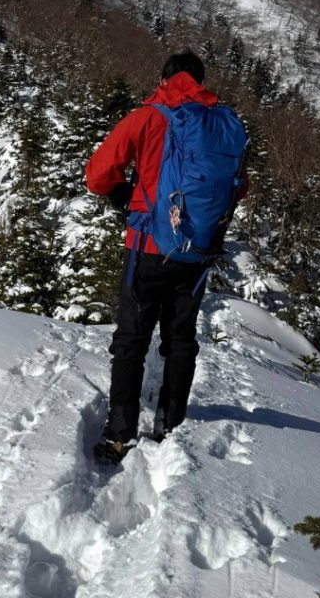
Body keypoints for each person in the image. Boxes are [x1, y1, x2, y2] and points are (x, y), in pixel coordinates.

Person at [85, 50, 247, 464]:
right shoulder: (224, 124)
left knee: (130, 342)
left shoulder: (149, 116)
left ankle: (120, 434)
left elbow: (97, 174)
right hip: (196, 252)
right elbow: (238, 186)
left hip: (147, 247)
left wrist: (126, 195)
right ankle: (169, 425)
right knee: (180, 342)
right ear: (201, 81)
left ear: (164, 78)